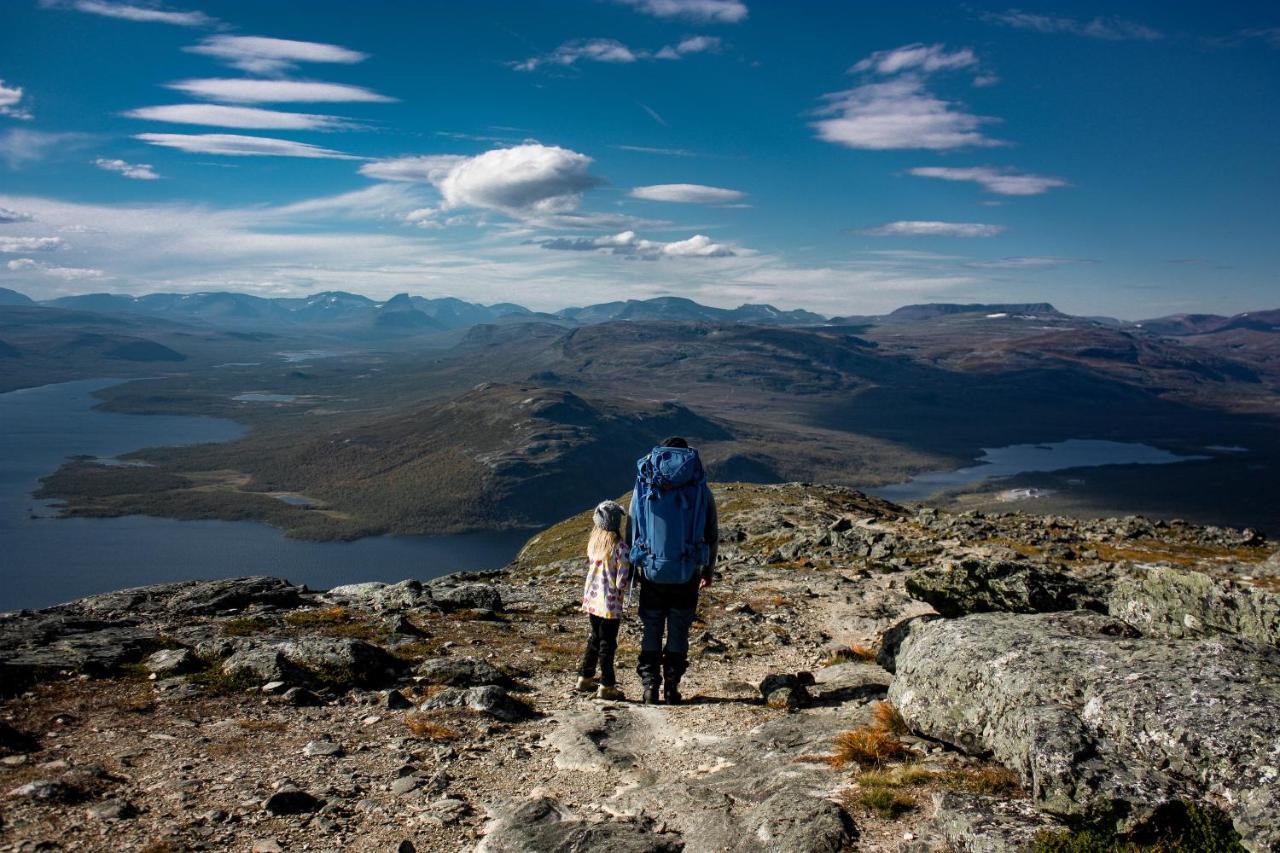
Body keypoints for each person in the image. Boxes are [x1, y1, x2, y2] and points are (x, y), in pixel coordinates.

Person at [629, 437, 718, 706]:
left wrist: (634, 567)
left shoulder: (646, 483)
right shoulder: (700, 488)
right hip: (687, 570)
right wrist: (708, 570)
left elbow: (633, 526)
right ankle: (672, 688)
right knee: (679, 627)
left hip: (652, 570)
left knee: (652, 625)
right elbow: (711, 534)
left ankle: (649, 687)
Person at [576, 499, 632, 701]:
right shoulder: (620, 548)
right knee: (608, 643)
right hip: (610, 605)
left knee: (595, 638)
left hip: (592, 601)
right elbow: (621, 582)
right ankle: (607, 685)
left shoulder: (593, 544)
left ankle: (585, 676)